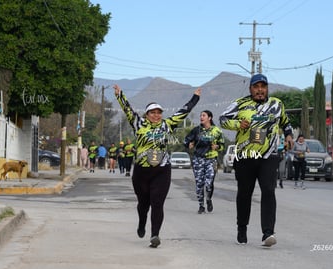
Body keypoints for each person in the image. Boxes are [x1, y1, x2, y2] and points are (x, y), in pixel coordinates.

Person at [114, 84, 201, 248]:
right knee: (143, 204)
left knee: (157, 202)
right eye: (153, 112)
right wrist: (120, 95)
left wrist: (195, 97)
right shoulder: (138, 123)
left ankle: (155, 235)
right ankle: (142, 222)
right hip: (141, 171)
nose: (156, 115)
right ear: (147, 114)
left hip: (162, 170)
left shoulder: (167, 125)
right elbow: (128, 110)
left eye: (159, 112)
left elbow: (183, 112)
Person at [219, 73, 294, 248]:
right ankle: (242, 228)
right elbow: (223, 119)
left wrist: (289, 135)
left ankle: (268, 233)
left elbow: (285, 122)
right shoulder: (240, 104)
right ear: (250, 89)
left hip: (269, 155)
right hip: (246, 156)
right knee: (245, 193)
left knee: (268, 190)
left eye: (263, 86)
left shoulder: (277, 104)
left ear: (267, 88)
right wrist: (238, 124)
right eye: (256, 87)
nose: (260, 90)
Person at [184, 110, 224, 214]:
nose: (201, 117)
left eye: (204, 115)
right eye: (200, 115)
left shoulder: (217, 131)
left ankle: (209, 199)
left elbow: (222, 145)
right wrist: (189, 145)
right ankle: (201, 205)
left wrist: (217, 146)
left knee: (209, 183)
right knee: (199, 184)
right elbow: (186, 140)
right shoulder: (196, 130)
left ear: (209, 118)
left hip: (211, 159)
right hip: (198, 159)